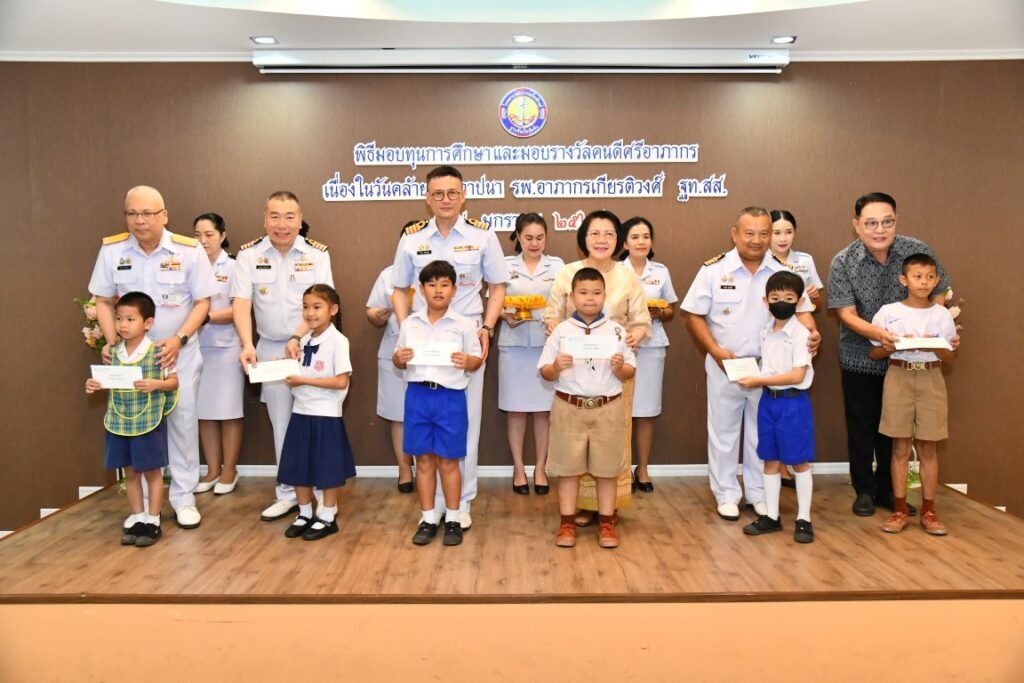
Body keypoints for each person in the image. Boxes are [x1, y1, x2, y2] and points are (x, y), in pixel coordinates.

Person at [391, 165, 509, 531]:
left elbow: (498, 286)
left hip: (465, 340)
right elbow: (399, 289)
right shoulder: (412, 238)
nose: (446, 200)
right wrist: (406, 330)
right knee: (425, 424)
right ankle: (432, 506)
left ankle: (461, 501)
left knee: (465, 424)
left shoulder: (482, 235)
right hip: (423, 341)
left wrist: (487, 328)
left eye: (452, 193)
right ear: (427, 198)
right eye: (438, 194)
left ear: (463, 196)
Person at [681, 206, 818, 522]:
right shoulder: (714, 270)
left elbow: (804, 313)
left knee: (762, 434)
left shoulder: (783, 271)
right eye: (749, 233)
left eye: (764, 233)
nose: (757, 240)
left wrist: (814, 334)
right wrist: (715, 351)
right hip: (725, 364)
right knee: (723, 433)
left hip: (769, 370)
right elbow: (693, 315)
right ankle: (726, 494)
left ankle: (759, 494)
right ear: (734, 234)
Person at [89, 186, 213, 530]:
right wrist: (113, 342)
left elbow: (203, 301)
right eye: (132, 213)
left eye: (147, 213)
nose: (139, 220)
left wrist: (179, 339)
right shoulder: (112, 251)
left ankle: (184, 499)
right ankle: (143, 505)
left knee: (182, 424)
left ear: (164, 215)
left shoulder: (188, 250)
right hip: (131, 359)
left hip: (177, 353)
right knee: (135, 424)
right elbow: (102, 300)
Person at [827, 192, 952, 517]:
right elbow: (845, 313)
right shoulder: (843, 261)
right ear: (857, 225)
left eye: (887, 222)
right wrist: (880, 335)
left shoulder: (916, 250)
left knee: (895, 431)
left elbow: (940, 291)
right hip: (860, 355)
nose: (880, 230)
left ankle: (888, 492)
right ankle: (864, 491)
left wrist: (930, 324)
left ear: (896, 221)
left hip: (908, 360)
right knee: (862, 425)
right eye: (871, 223)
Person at [543, 210, 651, 525]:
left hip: (614, 372)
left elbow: (642, 321)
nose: (601, 240)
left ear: (618, 240)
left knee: (609, 442)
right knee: (575, 441)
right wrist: (555, 329)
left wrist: (635, 336)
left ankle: (608, 507)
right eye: (594, 233)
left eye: (609, 234)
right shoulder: (567, 273)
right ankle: (579, 506)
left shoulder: (627, 276)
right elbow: (552, 315)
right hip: (574, 373)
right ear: (584, 238)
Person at [232, 191, 334, 522]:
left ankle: (322, 494)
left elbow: (323, 303)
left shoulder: (317, 254)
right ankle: (287, 493)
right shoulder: (248, 255)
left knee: (317, 422)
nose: (282, 224)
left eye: (290, 217)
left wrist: (298, 336)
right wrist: (247, 344)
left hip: (311, 346)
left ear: (300, 220)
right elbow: (241, 304)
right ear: (265, 219)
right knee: (283, 426)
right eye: (275, 216)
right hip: (269, 349)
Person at [540, 268, 636, 549]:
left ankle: (606, 523)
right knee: (568, 469)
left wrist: (620, 368)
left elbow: (630, 370)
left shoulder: (616, 331)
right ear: (572, 296)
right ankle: (567, 523)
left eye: (596, 293)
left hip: (607, 408)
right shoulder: (561, 331)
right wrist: (556, 366)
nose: (590, 298)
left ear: (605, 296)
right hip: (569, 407)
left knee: (607, 470)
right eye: (583, 293)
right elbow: (545, 372)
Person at [393, 261, 483, 547]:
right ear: (421, 290)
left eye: (444, 284)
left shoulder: (464, 324)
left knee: (448, 460)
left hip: (450, 397)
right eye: (431, 285)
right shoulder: (410, 324)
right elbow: (398, 357)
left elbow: (476, 359)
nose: (438, 290)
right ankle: (428, 518)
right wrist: (399, 358)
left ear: (454, 289)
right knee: (423, 460)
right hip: (418, 396)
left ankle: (453, 518)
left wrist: (468, 361)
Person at [868, 254, 957, 535]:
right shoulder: (888, 312)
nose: (924, 282)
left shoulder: (941, 314)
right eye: (917, 276)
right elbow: (874, 353)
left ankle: (929, 511)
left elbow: (949, 357)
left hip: (931, 377)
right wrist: (893, 346)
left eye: (930, 277)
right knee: (900, 447)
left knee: (929, 447)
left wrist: (936, 345)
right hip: (899, 375)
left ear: (937, 280)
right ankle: (899, 509)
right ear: (904, 279)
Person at [85, 292, 178, 547]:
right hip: (120, 420)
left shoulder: (158, 351)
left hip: (147, 420)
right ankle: (137, 518)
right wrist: (94, 384)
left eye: (130, 319)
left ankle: (153, 521)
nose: (122, 325)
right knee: (130, 472)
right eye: (118, 319)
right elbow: (109, 380)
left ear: (147, 323)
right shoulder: (113, 352)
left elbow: (173, 382)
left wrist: (156, 384)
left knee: (152, 472)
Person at [736, 271, 817, 543]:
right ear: (766, 301)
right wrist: (750, 373)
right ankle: (772, 516)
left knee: (799, 462)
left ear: (800, 301)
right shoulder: (765, 332)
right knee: (770, 459)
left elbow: (797, 375)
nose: (781, 302)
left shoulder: (802, 333)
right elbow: (768, 367)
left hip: (793, 403)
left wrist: (759, 379)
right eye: (775, 297)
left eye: (789, 298)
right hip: (768, 403)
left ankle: (804, 519)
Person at [278, 285, 357, 541]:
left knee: (327, 467)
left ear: (333, 310)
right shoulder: (303, 341)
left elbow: (341, 381)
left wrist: (303, 380)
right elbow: (299, 372)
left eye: (316, 307)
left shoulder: (338, 341)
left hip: (326, 414)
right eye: (305, 307)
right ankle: (304, 513)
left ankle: (328, 516)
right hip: (301, 411)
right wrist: (283, 368)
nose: (310, 313)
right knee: (298, 464)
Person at [499, 213, 563, 496]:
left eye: (540, 237)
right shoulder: (504, 265)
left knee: (543, 411)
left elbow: (565, 303)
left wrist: (555, 321)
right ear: (518, 237)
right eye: (528, 238)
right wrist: (505, 316)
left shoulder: (558, 266)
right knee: (515, 410)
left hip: (545, 346)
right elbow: (494, 303)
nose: (534, 243)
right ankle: (518, 468)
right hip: (513, 346)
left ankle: (540, 468)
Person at [618, 217, 677, 493]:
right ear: (624, 243)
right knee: (620, 411)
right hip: (621, 346)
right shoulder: (615, 271)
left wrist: (659, 312)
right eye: (635, 237)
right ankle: (621, 469)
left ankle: (642, 468)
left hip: (652, 346)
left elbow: (670, 309)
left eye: (645, 236)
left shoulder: (660, 271)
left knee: (646, 411)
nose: (641, 242)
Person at [768, 209, 823, 489]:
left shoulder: (805, 261)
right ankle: (777, 468)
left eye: (788, 232)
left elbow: (812, 304)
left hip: (796, 335)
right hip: (771, 335)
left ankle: (790, 465)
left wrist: (814, 333)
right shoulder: (761, 261)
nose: (782, 238)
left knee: (791, 404)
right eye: (776, 232)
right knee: (771, 406)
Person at [366, 222, 419, 493]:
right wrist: (378, 314)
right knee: (399, 414)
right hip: (394, 351)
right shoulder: (388, 275)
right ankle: (404, 469)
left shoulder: (438, 273)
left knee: (426, 413)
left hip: (430, 353)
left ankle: (428, 469)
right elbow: (372, 311)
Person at [193, 213, 244, 495]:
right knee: (204, 413)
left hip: (227, 348)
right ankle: (212, 469)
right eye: (197, 235)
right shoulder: (188, 264)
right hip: (195, 348)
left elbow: (239, 308)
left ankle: (229, 470)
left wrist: (205, 317)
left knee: (229, 412)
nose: (203, 241)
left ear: (222, 236)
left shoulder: (234, 266)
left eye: (209, 234)